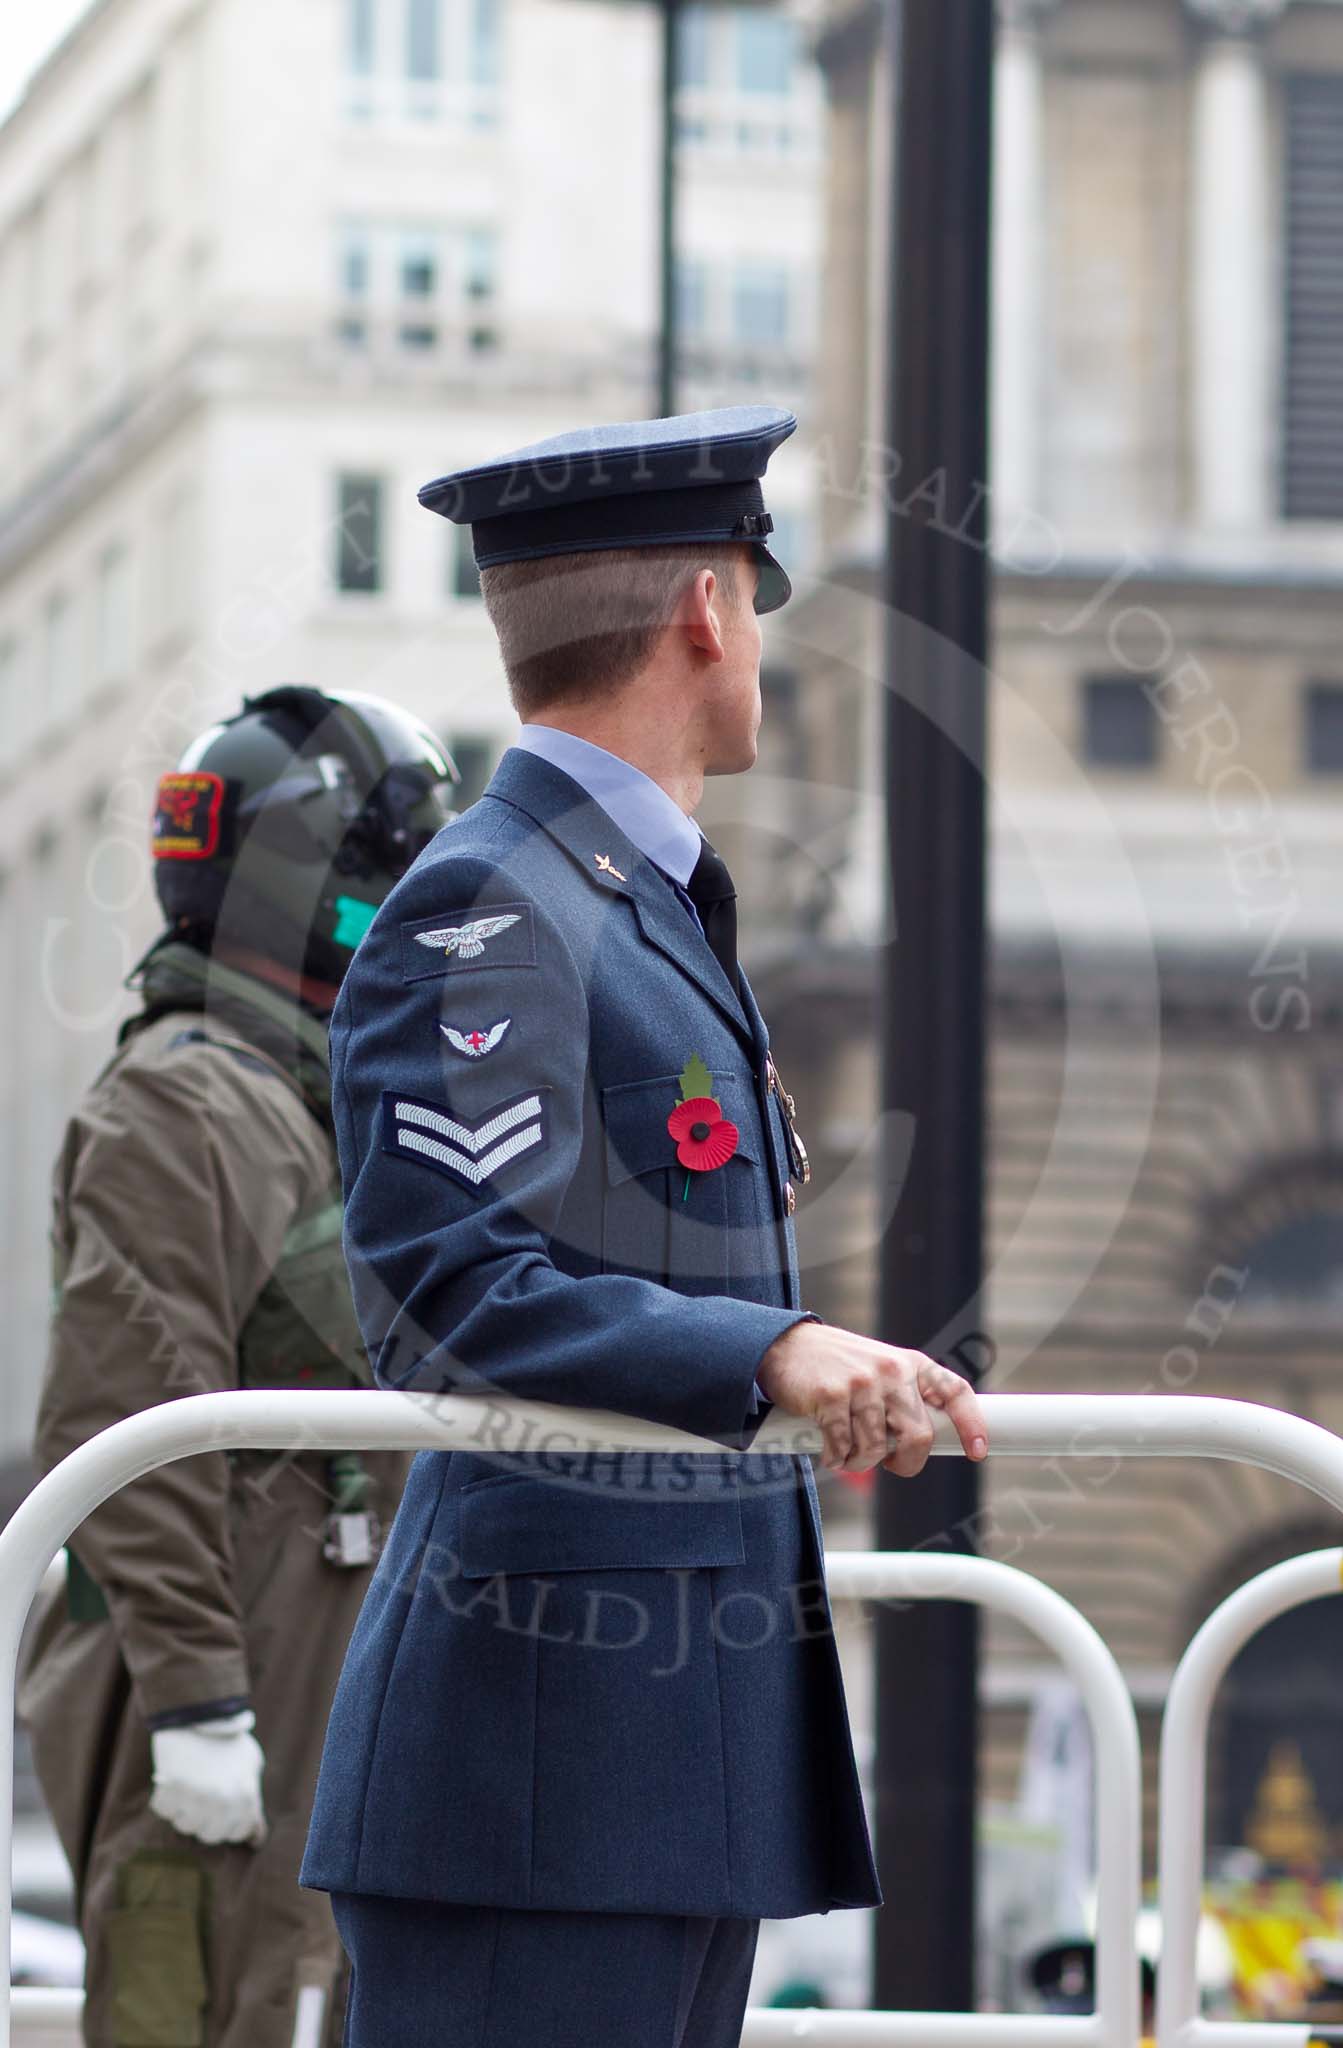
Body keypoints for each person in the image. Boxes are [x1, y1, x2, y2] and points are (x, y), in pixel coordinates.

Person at [299, 405, 990, 2047]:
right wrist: (779, 1348)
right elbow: (447, 1286)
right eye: (753, 599)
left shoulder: (620, 898)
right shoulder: (496, 897)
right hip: (539, 1775)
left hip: (653, 1760)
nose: (752, 636)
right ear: (703, 612)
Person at [17, 686, 460, 2048]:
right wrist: (203, 1704)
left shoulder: (304, 1093)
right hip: (216, 1683)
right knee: (214, 2006)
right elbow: (129, 1416)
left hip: (316, 1658)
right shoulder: (188, 1099)